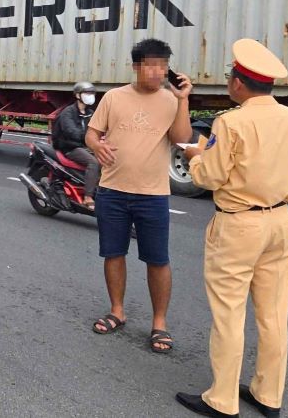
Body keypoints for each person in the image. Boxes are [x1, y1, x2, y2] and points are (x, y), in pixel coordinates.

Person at [175, 39, 288, 418]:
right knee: (273, 314)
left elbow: (210, 178)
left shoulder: (231, 121)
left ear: (237, 83)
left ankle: (221, 399)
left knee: (229, 313)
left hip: (239, 223)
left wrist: (195, 156)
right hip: (280, 220)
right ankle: (269, 396)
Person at [84, 38, 193, 353]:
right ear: (136, 66)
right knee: (113, 253)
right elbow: (92, 133)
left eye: (163, 65)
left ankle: (160, 323)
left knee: (158, 260)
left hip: (153, 195)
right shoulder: (114, 97)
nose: (158, 71)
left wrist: (183, 99)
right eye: (151, 65)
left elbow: (183, 139)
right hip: (113, 192)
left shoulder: (171, 101)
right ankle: (117, 310)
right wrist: (96, 145)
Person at [52, 81, 100, 209]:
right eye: (87, 93)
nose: (90, 96)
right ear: (78, 95)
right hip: (71, 147)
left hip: (86, 146)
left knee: (109, 159)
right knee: (93, 163)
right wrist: (90, 138)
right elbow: (71, 131)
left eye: (92, 93)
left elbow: (99, 128)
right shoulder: (68, 112)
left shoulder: (90, 112)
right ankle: (88, 196)